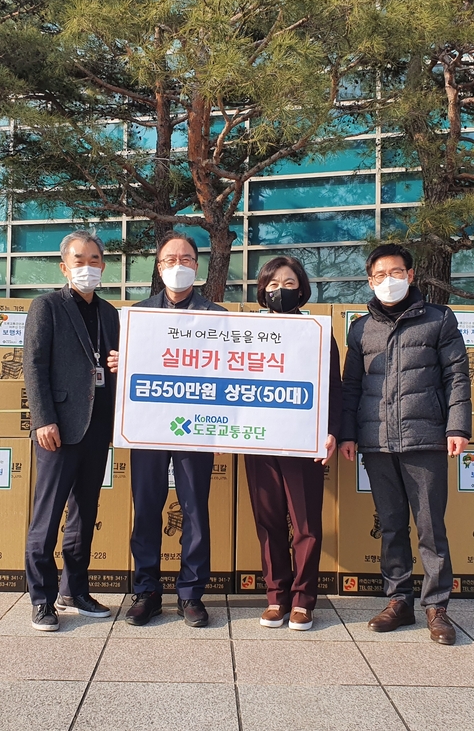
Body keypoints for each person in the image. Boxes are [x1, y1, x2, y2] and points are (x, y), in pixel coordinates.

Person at [339, 243, 471, 645]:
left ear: (411, 275)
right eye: (379, 275)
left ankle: (437, 608)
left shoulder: (438, 319)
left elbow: (457, 377)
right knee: (392, 525)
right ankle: (398, 601)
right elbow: (351, 386)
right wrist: (348, 433)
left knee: (431, 527)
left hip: (426, 438)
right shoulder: (361, 328)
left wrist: (457, 427)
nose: (388, 281)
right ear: (369, 280)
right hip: (377, 441)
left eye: (395, 272)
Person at [112, 230, 226, 628]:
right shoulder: (135, 317)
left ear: (198, 266)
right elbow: (123, 376)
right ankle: (146, 592)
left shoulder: (218, 318)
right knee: (146, 509)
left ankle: (191, 594)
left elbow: (229, 373)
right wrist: (118, 365)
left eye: (186, 259)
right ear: (158, 268)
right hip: (146, 428)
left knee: (195, 509)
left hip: (195, 428)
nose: (178, 266)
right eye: (169, 260)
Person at [23, 230, 120, 632]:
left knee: (85, 512)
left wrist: (119, 365)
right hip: (58, 427)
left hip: (98, 426)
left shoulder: (111, 313)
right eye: (79, 260)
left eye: (94, 259)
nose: (88, 267)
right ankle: (42, 598)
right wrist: (43, 419)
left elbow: (113, 366)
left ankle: (74, 588)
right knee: (47, 515)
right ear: (64, 267)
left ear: (103, 265)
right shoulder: (46, 306)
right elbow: (34, 365)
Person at [243, 256, 341, 631]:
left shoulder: (316, 330)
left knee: (304, 522)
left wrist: (331, 429)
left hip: (304, 438)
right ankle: (275, 597)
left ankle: (302, 601)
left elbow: (334, 384)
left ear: (301, 289)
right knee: (268, 520)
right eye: (271, 285)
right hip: (258, 438)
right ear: (261, 291)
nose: (279, 291)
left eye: (287, 284)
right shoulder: (248, 330)